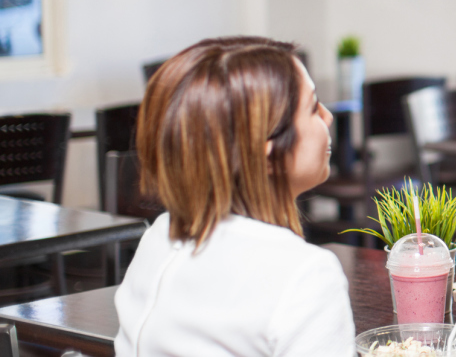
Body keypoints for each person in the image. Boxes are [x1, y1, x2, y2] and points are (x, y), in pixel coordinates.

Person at [115, 36, 353, 356]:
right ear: (267, 152)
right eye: (312, 108)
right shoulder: (305, 275)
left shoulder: (161, 234)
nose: (328, 117)